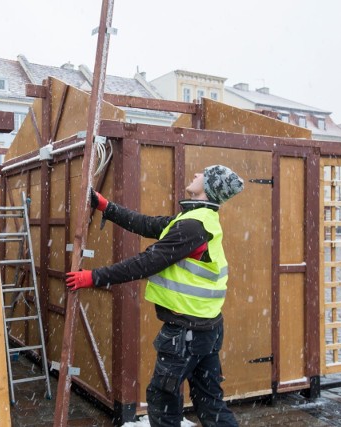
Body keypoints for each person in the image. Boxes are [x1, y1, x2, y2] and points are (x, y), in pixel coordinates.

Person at [66, 165, 244, 427]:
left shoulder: (193, 226)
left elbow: (148, 262)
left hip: (187, 332)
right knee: (209, 401)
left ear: (208, 188)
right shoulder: (195, 220)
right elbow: (148, 224)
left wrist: (94, 277)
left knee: (162, 400)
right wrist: (107, 207)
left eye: (202, 175)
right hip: (205, 326)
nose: (195, 175)